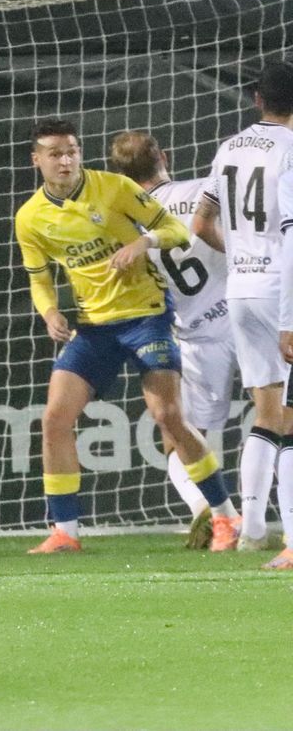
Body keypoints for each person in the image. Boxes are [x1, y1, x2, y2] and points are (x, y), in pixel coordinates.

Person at [15, 119, 237, 554]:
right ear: (36, 159)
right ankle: (65, 532)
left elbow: (176, 230)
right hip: (94, 327)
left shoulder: (114, 187)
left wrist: (143, 242)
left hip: (146, 317)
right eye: (55, 153)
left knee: (168, 417)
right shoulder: (30, 218)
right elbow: (39, 278)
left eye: (72, 151)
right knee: (54, 420)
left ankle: (226, 516)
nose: (65, 160)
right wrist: (49, 312)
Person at [107, 131, 237, 548]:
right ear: (164, 157)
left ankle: (208, 510)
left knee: (180, 436)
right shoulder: (201, 190)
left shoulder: (124, 223)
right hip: (246, 315)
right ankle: (259, 521)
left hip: (197, 338)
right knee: (275, 422)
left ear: (120, 176)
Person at [194, 60, 293, 567]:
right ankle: (291, 537)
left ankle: (253, 528)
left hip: (240, 289)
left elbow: (200, 220)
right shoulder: (292, 149)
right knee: (290, 418)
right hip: (283, 291)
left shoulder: (229, 147)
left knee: (266, 412)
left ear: (257, 99)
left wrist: (237, 256)